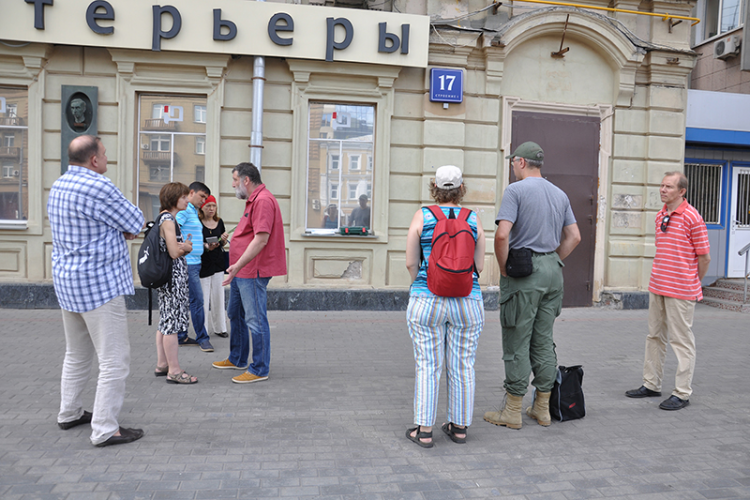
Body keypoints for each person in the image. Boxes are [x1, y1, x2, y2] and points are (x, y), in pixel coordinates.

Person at [48, 135, 145, 447]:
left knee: (76, 353)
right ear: (93, 160)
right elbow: (136, 220)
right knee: (115, 360)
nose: (106, 158)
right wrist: (122, 229)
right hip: (99, 286)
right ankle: (104, 428)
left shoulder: (58, 185)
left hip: (68, 285)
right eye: (103, 153)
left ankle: (69, 412)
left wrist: (118, 228)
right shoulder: (99, 185)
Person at [484, 141, 581, 430]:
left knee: (517, 338)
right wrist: (551, 259)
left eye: (513, 162)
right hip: (553, 271)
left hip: (524, 273)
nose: (513, 167)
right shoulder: (559, 193)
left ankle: (512, 411)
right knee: (543, 340)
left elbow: (502, 236)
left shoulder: (515, 191)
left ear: (522, 162)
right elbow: (574, 236)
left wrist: (503, 268)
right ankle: (542, 408)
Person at [404, 165, 486, 448]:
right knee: (463, 365)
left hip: (427, 300)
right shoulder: (473, 219)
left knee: (428, 365)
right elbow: (479, 266)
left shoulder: (422, 216)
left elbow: (410, 262)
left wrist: (422, 284)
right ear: (462, 188)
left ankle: (424, 431)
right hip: (467, 301)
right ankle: (459, 427)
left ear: (434, 188)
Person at [625, 172, 710, 410]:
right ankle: (651, 384)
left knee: (681, 341)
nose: (663, 190)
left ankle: (682, 393)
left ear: (682, 191)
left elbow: (704, 257)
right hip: (658, 286)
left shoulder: (693, 217)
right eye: (662, 185)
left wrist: (692, 282)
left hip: (681, 290)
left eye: (669, 187)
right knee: (654, 337)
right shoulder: (660, 214)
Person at [213, 162, 287, 384]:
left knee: (255, 320)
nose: (233, 184)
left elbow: (261, 240)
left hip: (251, 270)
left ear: (246, 180)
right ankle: (237, 358)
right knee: (235, 312)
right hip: (241, 269)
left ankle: (259, 368)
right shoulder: (253, 200)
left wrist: (237, 265)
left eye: (235, 180)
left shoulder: (263, 201)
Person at [154, 182, 199, 385]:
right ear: (174, 198)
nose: (187, 200)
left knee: (165, 322)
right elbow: (173, 253)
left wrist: (180, 245)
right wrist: (186, 248)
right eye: (183, 197)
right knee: (171, 325)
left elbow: (168, 247)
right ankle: (174, 370)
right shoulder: (168, 219)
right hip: (173, 280)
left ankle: (162, 364)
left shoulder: (165, 218)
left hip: (168, 279)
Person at [175, 181, 213, 352]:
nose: (203, 201)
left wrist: (204, 246)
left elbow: (189, 235)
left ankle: (181, 335)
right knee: (197, 301)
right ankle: (202, 338)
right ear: (191, 193)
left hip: (195, 262)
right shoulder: (184, 211)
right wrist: (181, 247)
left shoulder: (193, 212)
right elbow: (173, 228)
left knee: (187, 300)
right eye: (202, 197)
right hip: (187, 263)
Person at [199, 195, 229, 338]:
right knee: (203, 299)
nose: (211, 209)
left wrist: (223, 240)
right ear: (202, 208)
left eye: (213, 206)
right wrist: (206, 246)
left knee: (219, 296)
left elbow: (223, 244)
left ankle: (220, 328)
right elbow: (196, 242)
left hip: (218, 263)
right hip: (203, 264)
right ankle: (203, 329)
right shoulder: (198, 222)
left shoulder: (219, 221)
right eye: (208, 206)